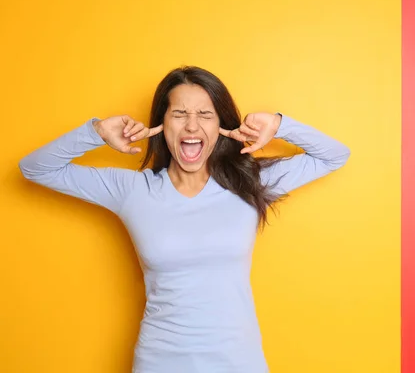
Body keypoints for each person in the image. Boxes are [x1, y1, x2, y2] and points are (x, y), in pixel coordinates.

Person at [18, 66, 351, 373]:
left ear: (220, 127)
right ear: (162, 125)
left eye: (205, 114)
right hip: (159, 361)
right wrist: (98, 131)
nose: (192, 125)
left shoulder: (248, 183)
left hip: (238, 361)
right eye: (179, 113)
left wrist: (278, 125)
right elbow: (34, 168)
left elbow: (335, 156)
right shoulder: (133, 190)